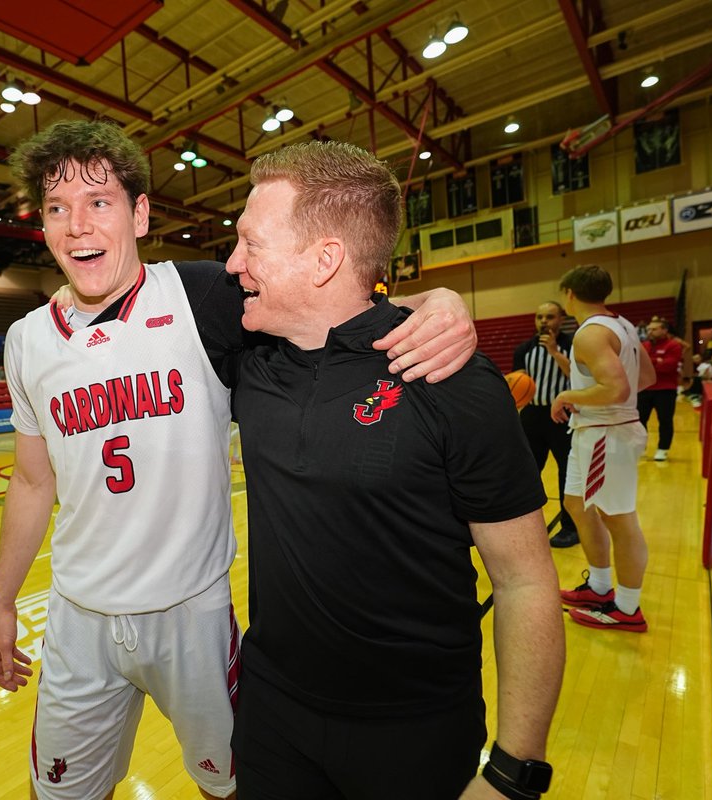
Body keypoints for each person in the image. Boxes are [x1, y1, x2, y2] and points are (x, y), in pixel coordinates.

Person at [0, 120, 477, 800]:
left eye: (99, 202)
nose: (78, 226)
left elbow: (334, 300)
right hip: (78, 615)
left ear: (139, 214)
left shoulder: (203, 296)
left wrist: (438, 302)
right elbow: (32, 480)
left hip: (193, 614)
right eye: (57, 208)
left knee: (233, 787)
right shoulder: (26, 340)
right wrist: (2, 604)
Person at [226, 140, 563, 800]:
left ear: (325, 259)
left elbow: (524, 580)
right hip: (272, 715)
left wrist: (514, 771)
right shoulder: (247, 352)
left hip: (416, 729)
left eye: (250, 244)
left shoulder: (451, 378)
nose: (234, 262)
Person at [552, 265, 656, 633]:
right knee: (576, 505)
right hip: (595, 430)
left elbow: (617, 388)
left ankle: (627, 609)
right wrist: (595, 400)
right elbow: (646, 377)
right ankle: (598, 587)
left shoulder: (590, 334)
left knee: (620, 521)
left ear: (569, 294)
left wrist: (568, 395)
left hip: (607, 436)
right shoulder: (622, 325)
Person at [513, 301, 578, 547]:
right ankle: (524, 524)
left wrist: (554, 352)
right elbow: (519, 382)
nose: (544, 321)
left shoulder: (573, 345)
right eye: (540, 317)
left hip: (562, 416)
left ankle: (570, 527)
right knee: (527, 472)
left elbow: (576, 376)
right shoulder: (524, 348)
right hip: (532, 416)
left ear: (561, 319)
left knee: (567, 473)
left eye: (549, 317)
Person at [636, 319, 682, 462]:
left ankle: (663, 449)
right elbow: (638, 364)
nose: (650, 332)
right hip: (644, 388)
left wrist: (651, 362)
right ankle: (641, 448)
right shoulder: (644, 345)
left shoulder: (673, 345)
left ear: (664, 330)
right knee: (639, 421)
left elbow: (669, 366)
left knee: (665, 420)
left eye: (654, 329)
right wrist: (658, 360)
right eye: (649, 329)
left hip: (665, 389)